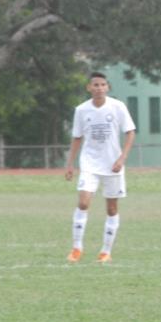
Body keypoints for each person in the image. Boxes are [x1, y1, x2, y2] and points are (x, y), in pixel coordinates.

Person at [64, 72, 136, 263]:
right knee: (83, 203)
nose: (99, 88)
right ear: (89, 88)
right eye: (95, 85)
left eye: (103, 85)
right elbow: (77, 137)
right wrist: (70, 164)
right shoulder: (81, 110)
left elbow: (130, 132)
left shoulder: (117, 106)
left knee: (111, 208)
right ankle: (77, 248)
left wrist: (122, 158)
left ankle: (105, 252)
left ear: (108, 87)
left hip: (113, 165)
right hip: (89, 163)